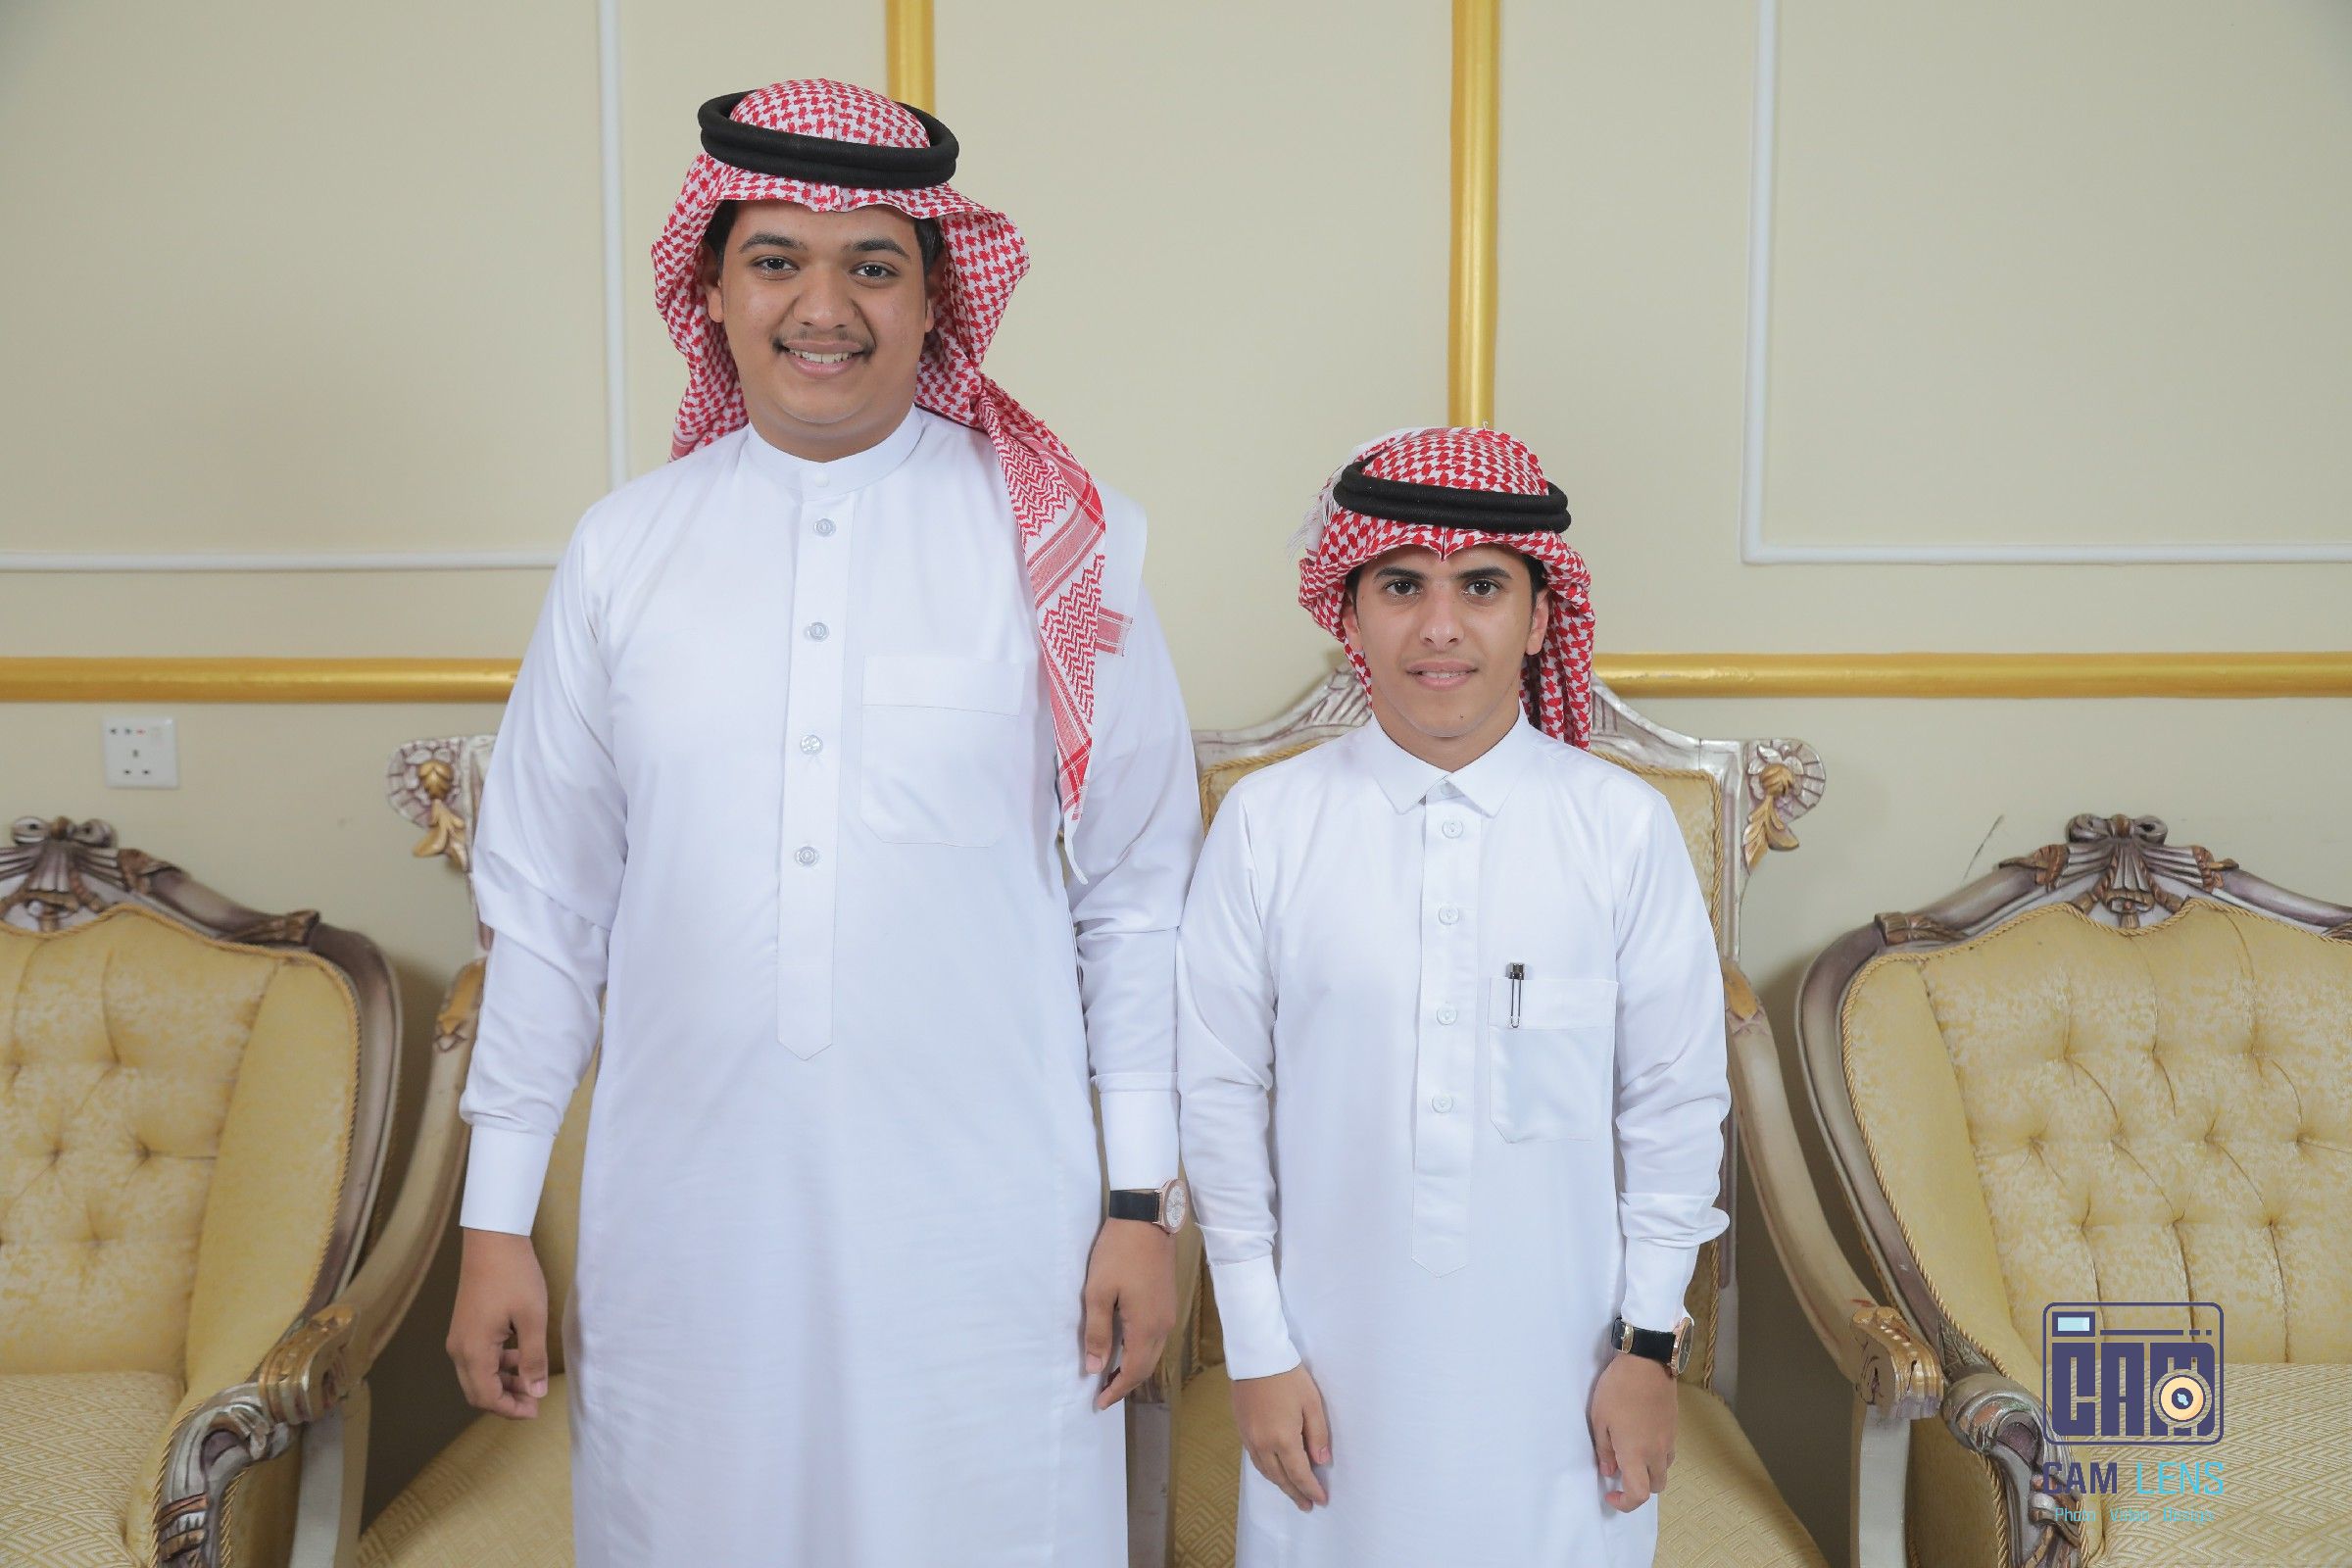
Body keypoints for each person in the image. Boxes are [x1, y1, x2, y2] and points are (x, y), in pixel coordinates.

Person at [444, 79, 1200, 1566]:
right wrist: (494, 1221)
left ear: (935, 297)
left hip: (990, 1229)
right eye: (777, 259)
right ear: (714, 289)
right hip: (692, 1226)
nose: (823, 306)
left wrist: (1139, 1202)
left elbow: (1136, 894)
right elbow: (547, 908)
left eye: (873, 265)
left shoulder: (1060, 541)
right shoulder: (625, 552)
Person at [1175, 425, 1729, 1566]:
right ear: (1349, 612)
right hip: (1323, 1384)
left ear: (1539, 615)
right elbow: (1218, 1096)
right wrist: (1259, 1350)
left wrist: (1647, 1349)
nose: (1440, 626)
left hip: (1571, 1386)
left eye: (1481, 586)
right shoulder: (1269, 825)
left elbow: (1675, 1108)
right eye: (1401, 587)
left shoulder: (1619, 829)